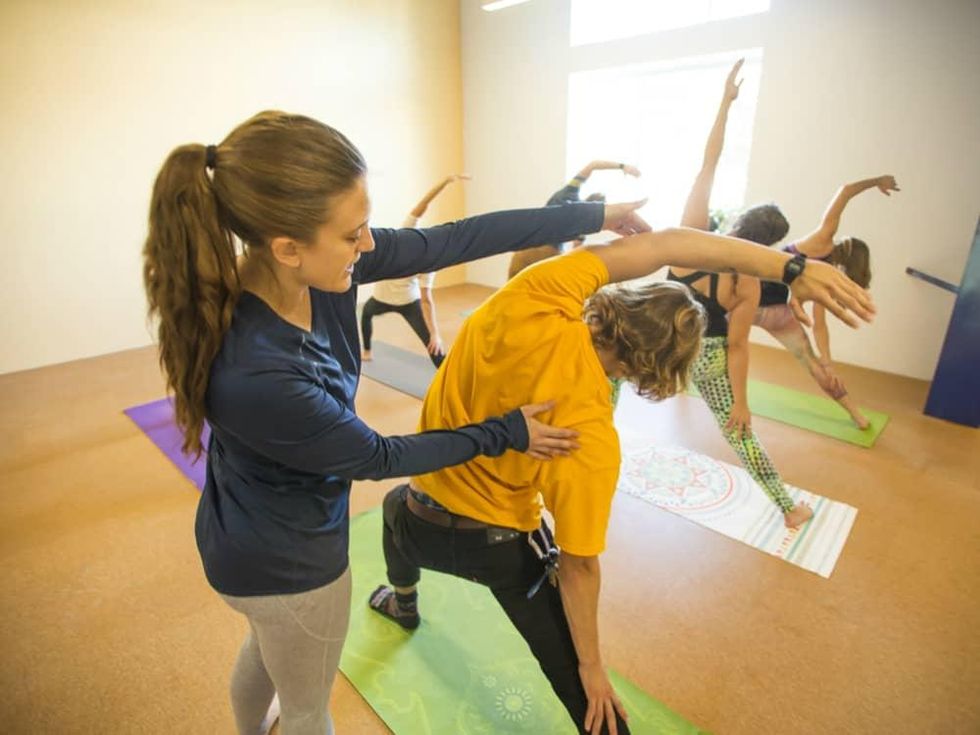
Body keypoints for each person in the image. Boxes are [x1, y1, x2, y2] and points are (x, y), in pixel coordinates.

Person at [142, 110, 648, 735]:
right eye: (352, 234)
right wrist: (505, 432)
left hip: (248, 536)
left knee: (267, 648)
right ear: (287, 247)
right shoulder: (260, 372)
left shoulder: (309, 272)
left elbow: (455, 239)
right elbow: (377, 457)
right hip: (287, 566)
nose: (369, 245)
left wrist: (592, 217)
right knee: (306, 706)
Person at [368, 225, 874, 733]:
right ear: (657, 368)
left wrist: (792, 268)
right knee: (586, 692)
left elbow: (665, 243)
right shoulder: (591, 435)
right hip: (498, 551)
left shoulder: (535, 296)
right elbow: (579, 565)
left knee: (391, 509)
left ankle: (403, 602)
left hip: (418, 517)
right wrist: (592, 667)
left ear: (624, 303)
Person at [665, 58, 813, 527]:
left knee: (605, 371)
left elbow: (708, 163)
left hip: (660, 341)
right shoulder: (746, 280)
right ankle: (789, 509)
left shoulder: (694, 235)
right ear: (768, 245)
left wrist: (726, 104)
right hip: (705, 356)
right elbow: (737, 346)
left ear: (740, 219)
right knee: (739, 432)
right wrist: (742, 404)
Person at [755, 174, 899, 428]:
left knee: (816, 365)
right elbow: (845, 191)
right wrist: (877, 180)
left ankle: (856, 414)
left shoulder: (826, 272)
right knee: (813, 364)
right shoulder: (824, 242)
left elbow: (819, 322)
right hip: (765, 308)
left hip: (759, 306)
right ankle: (857, 416)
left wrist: (828, 361)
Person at [361, 174, 471, 366]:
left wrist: (435, 334)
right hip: (383, 299)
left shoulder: (428, 262)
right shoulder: (408, 234)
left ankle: (446, 373)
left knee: (432, 344)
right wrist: (445, 182)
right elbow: (423, 204)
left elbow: (427, 300)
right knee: (366, 313)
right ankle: (367, 351)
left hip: (407, 302)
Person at [508, 160, 642, 279]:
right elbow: (575, 251)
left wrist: (622, 166)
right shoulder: (585, 224)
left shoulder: (570, 191)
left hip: (526, 249)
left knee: (511, 291)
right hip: (549, 256)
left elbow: (593, 165)